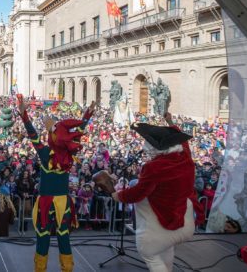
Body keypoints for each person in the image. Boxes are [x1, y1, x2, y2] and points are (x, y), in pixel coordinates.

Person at [112, 112, 205, 272]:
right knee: (165, 248)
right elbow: (183, 143)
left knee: (149, 253)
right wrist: (170, 122)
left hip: (163, 224)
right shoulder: (185, 158)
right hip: (186, 222)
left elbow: (139, 193)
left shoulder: (154, 167)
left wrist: (118, 196)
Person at [17, 94, 95, 272]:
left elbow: (32, 134)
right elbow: (76, 133)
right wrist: (87, 115)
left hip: (46, 202)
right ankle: (67, 269)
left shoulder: (45, 154)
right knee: (63, 238)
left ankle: (40, 269)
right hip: (63, 203)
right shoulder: (69, 156)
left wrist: (24, 116)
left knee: (43, 238)